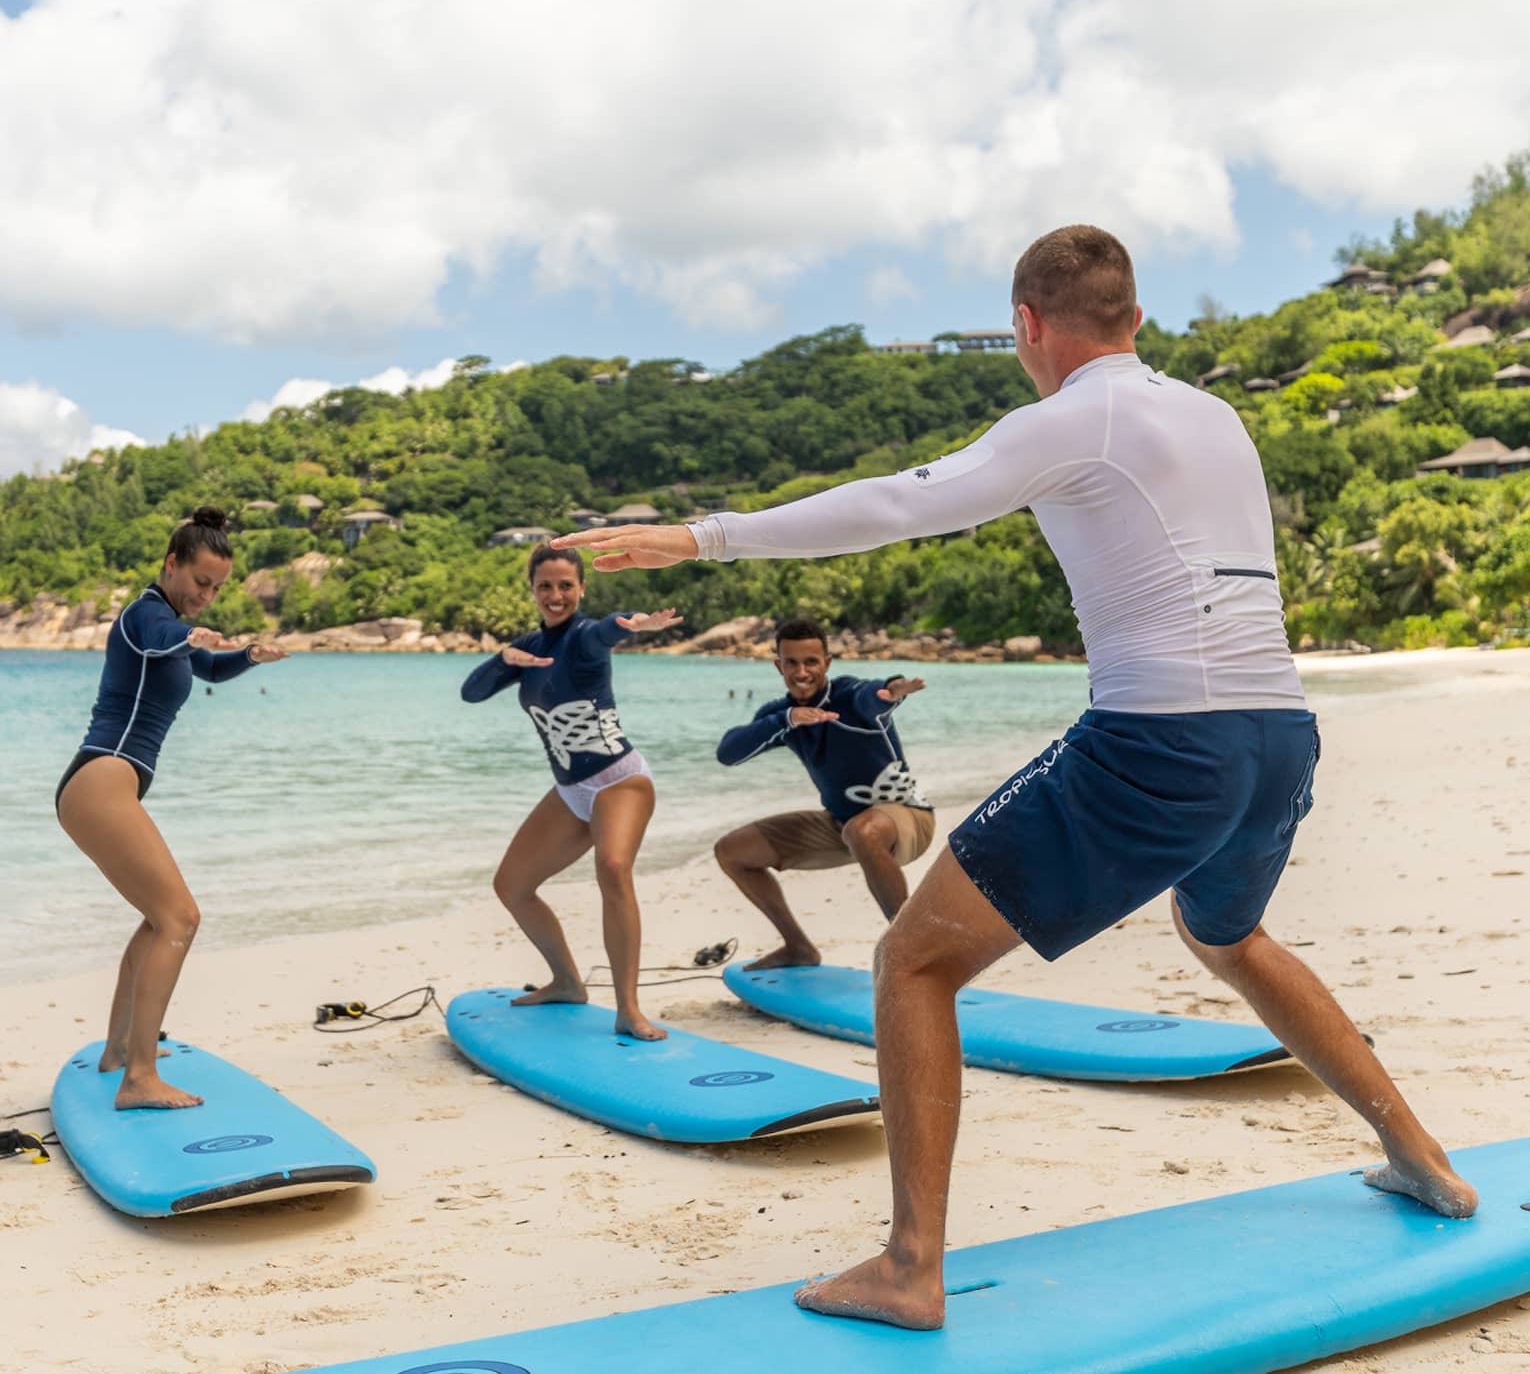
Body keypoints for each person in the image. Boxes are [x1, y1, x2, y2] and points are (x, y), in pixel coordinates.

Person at [554, 224, 1477, 1327]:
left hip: (1161, 741)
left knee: (913, 962)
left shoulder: (1073, 416)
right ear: (1136, 317)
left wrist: (703, 539)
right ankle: (1420, 1155)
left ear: (1028, 327)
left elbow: (898, 503)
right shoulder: (1214, 415)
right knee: (1229, 936)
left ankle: (910, 1267)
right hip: (1277, 736)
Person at [55, 506, 288, 1110]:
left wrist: (249, 656)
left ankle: (117, 1052)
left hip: (106, 784)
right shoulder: (144, 615)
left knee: (158, 920)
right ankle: (137, 1080)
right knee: (180, 919)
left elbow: (205, 664)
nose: (207, 596)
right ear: (171, 564)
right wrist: (189, 636)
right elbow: (167, 641)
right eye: (200, 582)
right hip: (101, 777)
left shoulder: (174, 626)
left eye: (217, 587)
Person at [460, 544, 681, 1041]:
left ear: (581, 588)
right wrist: (502, 659)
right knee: (512, 885)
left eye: (565, 585)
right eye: (545, 586)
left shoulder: (585, 637)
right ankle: (566, 980)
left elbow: (609, 627)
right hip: (570, 790)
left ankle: (629, 1009)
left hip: (620, 780)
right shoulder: (529, 648)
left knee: (613, 868)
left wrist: (631, 624)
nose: (555, 595)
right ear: (533, 590)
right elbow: (471, 693)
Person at [713, 617, 933, 968]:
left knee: (862, 830)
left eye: (811, 662)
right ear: (778, 666)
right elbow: (728, 753)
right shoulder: (782, 716)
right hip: (841, 826)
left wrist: (891, 690)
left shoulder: (848, 695)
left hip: (907, 818)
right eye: (792, 663)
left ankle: (913, 951)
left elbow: (872, 696)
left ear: (827, 663)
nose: (802, 671)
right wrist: (786, 720)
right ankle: (798, 948)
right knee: (732, 851)